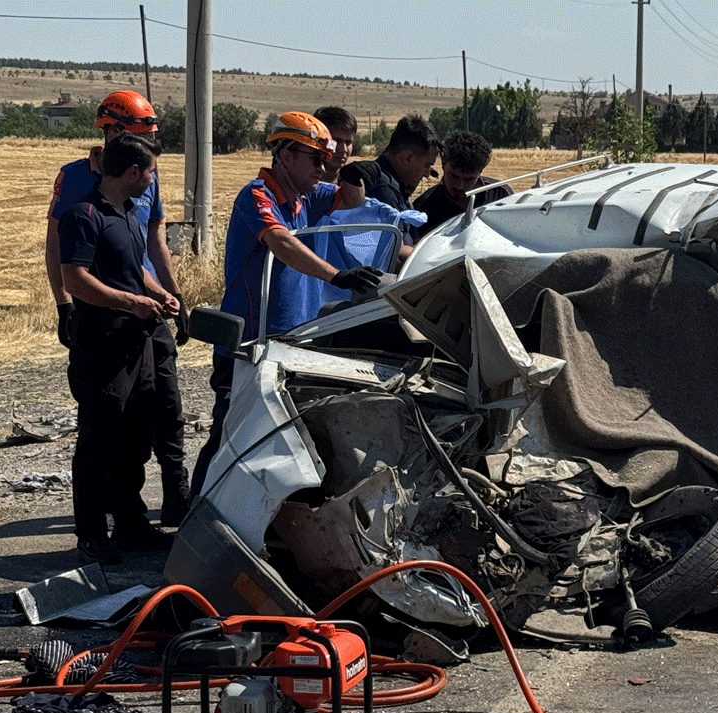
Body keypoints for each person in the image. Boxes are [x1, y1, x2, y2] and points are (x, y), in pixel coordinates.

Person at [190, 111, 370, 497]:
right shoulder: (258, 194)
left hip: (295, 340)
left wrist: (355, 175)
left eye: (325, 160)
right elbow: (281, 242)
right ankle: (198, 512)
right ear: (286, 155)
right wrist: (336, 275)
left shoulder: (309, 195)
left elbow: (351, 199)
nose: (323, 168)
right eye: (315, 158)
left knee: (284, 435)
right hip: (250, 342)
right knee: (232, 431)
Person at [45, 90, 191, 527]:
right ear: (109, 131)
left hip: (146, 311)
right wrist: (63, 303)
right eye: (134, 135)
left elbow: (152, 243)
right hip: (105, 316)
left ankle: (166, 499)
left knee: (160, 407)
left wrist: (174, 295)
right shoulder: (76, 185)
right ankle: (99, 522)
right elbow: (63, 254)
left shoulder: (139, 189)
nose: (148, 157)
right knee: (104, 420)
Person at [58, 133, 179, 565]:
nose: (151, 180)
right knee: (98, 441)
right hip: (102, 347)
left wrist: (159, 293)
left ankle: (129, 522)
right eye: (150, 171)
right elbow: (75, 278)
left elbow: (134, 271)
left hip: (138, 344)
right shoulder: (83, 215)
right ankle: (91, 533)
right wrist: (132, 302)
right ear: (131, 171)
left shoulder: (129, 214)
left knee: (134, 438)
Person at [340, 114, 441, 257]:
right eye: (426, 165)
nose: (427, 174)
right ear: (408, 158)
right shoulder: (382, 189)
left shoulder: (397, 186)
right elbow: (393, 253)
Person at [413, 130, 513, 239]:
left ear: (481, 171)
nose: (459, 186)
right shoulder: (423, 207)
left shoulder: (501, 195)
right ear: (443, 163)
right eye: (454, 176)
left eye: (469, 179)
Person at [312, 106, 356, 184]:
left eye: (348, 142)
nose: (343, 149)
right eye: (336, 140)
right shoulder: (298, 186)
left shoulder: (353, 184)